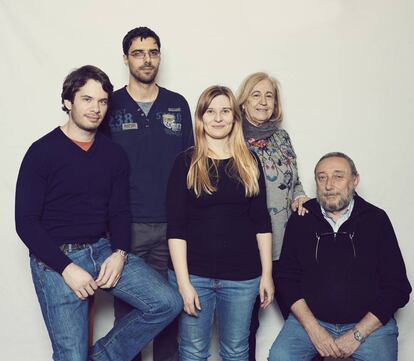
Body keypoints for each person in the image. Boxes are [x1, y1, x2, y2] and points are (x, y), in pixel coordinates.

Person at [15, 65, 182, 361]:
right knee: (71, 356)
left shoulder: (113, 154)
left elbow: (119, 211)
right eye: (87, 99)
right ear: (68, 102)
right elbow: (25, 223)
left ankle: (102, 357)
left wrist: (119, 252)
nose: (96, 108)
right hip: (55, 259)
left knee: (167, 303)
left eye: (103, 101)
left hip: (103, 249)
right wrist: (66, 268)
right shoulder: (41, 152)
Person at [100, 26, 194, 361]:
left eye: (153, 52)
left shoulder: (177, 104)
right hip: (128, 227)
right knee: (129, 314)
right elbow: (100, 169)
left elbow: (190, 166)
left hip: (173, 228)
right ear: (125, 58)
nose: (147, 59)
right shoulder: (111, 105)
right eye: (138, 53)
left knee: (171, 310)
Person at [268, 152, 411, 361]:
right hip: (311, 322)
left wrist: (357, 334)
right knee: (280, 357)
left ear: (355, 181)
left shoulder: (376, 220)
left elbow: (398, 287)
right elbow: (286, 279)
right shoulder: (302, 219)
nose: (328, 185)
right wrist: (314, 329)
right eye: (321, 177)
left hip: (369, 326)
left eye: (338, 176)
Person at [167, 85, 274, 361]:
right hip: (195, 276)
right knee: (192, 352)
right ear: (201, 118)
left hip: (243, 278)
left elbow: (261, 222)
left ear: (235, 117)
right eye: (210, 111)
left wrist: (266, 274)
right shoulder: (186, 163)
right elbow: (176, 227)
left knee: (236, 351)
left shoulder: (250, 163)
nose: (218, 118)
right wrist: (183, 283)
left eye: (225, 111)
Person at [237, 72, 309, 360]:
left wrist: (300, 196)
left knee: (305, 315)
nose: (263, 101)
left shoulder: (281, 137)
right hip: (249, 248)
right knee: (245, 325)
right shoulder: (232, 138)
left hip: (287, 245)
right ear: (243, 102)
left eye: (269, 95)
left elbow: (293, 180)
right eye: (256, 94)